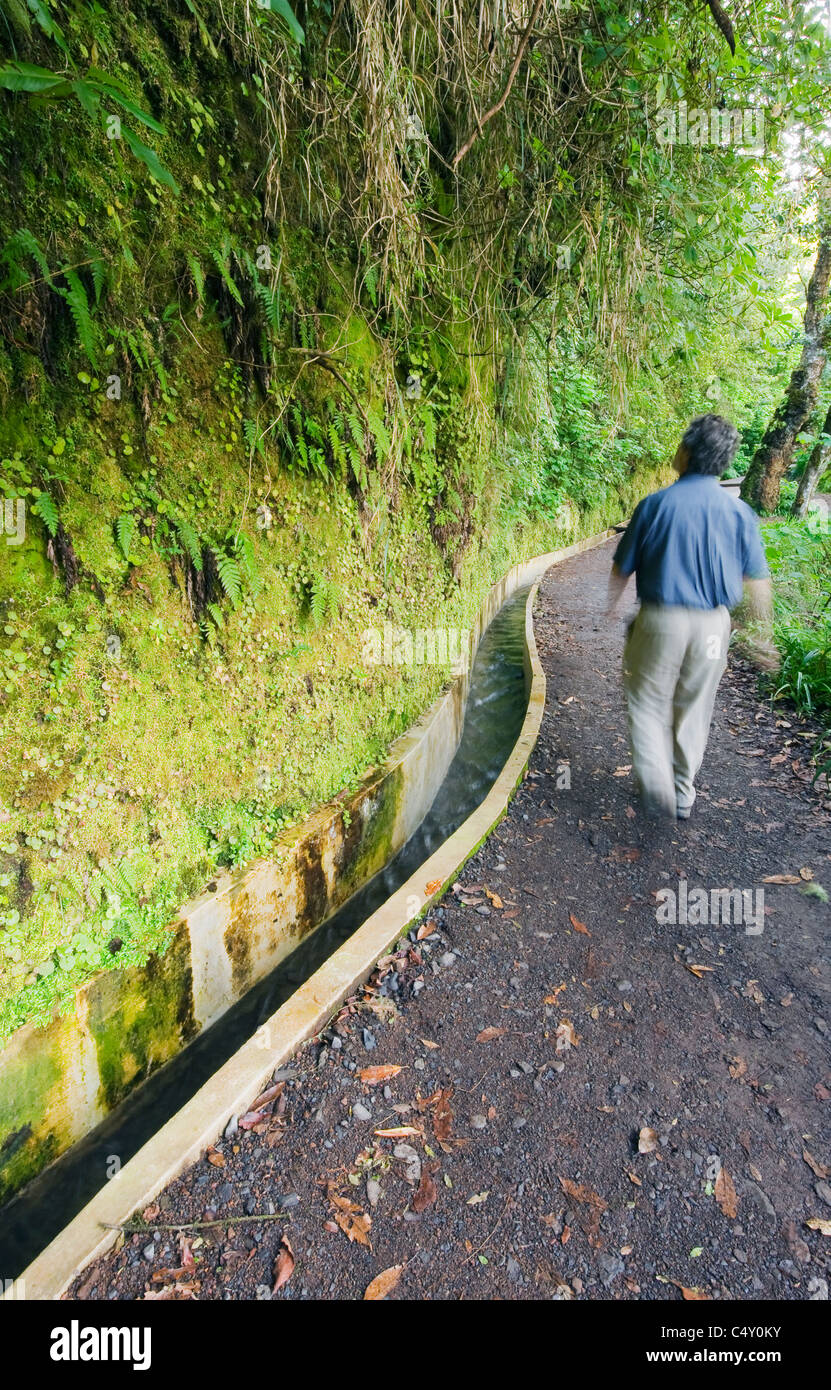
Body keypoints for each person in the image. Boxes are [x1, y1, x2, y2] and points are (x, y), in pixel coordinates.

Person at [607, 413, 776, 820]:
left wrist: (609, 608)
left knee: (646, 701)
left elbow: (621, 567)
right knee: (695, 705)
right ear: (724, 461)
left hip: (661, 621)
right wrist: (763, 636)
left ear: (685, 451)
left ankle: (656, 783)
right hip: (714, 628)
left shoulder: (655, 505)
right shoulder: (739, 513)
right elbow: (758, 580)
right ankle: (682, 792)